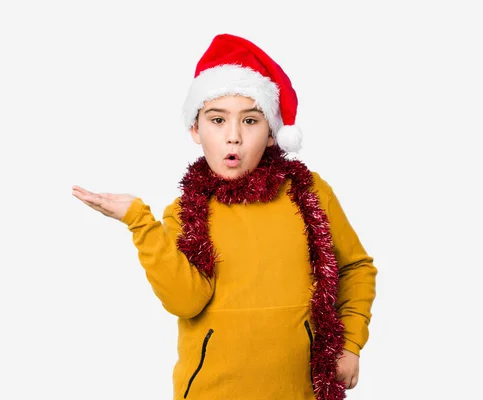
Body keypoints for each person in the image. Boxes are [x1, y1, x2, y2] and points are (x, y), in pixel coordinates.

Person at [72, 33, 377, 400]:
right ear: (195, 130)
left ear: (271, 134)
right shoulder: (186, 211)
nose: (233, 136)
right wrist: (139, 221)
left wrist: (351, 343)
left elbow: (355, 268)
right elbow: (185, 301)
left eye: (250, 121)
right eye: (218, 120)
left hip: (300, 391)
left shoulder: (308, 192)